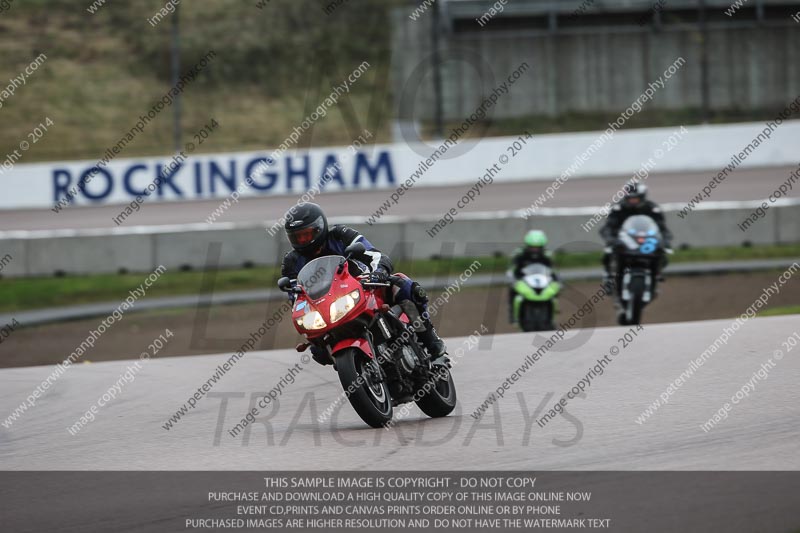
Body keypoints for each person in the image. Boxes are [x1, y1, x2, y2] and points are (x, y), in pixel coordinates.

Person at [280, 202, 447, 365]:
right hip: (328, 308)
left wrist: (379, 272)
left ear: (319, 228)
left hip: (365, 287)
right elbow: (297, 298)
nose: (302, 240)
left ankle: (432, 343)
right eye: (297, 237)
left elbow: (374, 255)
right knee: (319, 352)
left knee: (403, 285)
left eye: (306, 234)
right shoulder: (291, 261)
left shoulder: (340, 235)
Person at [599, 183, 672, 290]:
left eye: (635, 198)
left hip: (647, 241)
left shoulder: (653, 209)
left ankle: (656, 275)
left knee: (661, 254)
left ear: (642, 197)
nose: (632, 201)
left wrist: (665, 241)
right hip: (624, 240)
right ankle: (609, 277)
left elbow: (662, 229)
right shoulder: (618, 209)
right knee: (609, 252)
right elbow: (608, 227)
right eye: (630, 198)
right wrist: (611, 239)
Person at [508, 230, 556, 323]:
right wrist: (513, 278)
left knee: (554, 292)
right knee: (512, 291)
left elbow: (552, 270)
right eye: (532, 247)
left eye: (537, 248)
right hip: (524, 281)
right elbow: (513, 268)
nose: (535, 250)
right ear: (527, 245)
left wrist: (555, 280)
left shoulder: (547, 255)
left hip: (542, 281)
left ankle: (551, 316)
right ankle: (513, 314)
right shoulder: (519, 254)